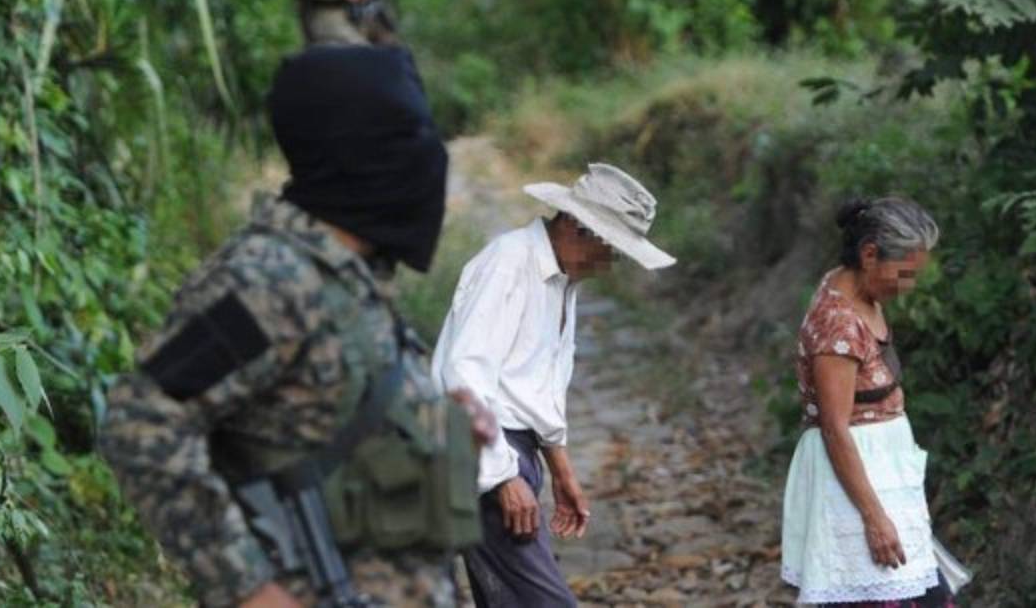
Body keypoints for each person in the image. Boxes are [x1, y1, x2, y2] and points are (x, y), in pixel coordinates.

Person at [99, 46, 493, 608]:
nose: (428, 157)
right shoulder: (269, 279)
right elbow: (142, 420)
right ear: (354, 150)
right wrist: (249, 589)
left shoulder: (347, 276)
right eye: (406, 135)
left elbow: (315, 419)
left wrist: (436, 424)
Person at [432, 164, 677, 607]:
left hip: (511, 450)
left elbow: (538, 389)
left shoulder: (562, 281)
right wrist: (501, 476)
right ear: (577, 227)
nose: (606, 265)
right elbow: (463, 373)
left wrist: (561, 470)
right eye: (610, 250)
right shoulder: (509, 263)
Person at [781, 197, 957, 607]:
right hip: (854, 486)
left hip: (882, 478)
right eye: (904, 273)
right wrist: (874, 517)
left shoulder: (860, 293)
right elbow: (834, 426)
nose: (908, 286)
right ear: (870, 254)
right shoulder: (838, 325)